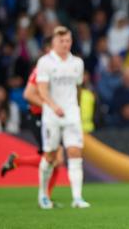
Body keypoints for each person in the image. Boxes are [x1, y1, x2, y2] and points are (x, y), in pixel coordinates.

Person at [0, 36, 64, 203]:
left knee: (55, 159)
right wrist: (50, 107)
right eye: (58, 45)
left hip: (50, 117)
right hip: (38, 116)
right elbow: (28, 94)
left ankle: (46, 197)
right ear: (48, 49)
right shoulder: (40, 70)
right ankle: (44, 197)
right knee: (53, 158)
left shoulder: (57, 69)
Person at [36, 26, 89, 209]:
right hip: (52, 115)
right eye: (61, 41)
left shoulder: (77, 63)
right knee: (50, 155)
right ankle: (43, 195)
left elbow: (78, 88)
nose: (65, 44)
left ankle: (77, 198)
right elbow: (41, 89)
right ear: (54, 42)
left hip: (71, 114)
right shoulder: (45, 62)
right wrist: (53, 106)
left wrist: (77, 108)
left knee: (75, 152)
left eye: (68, 41)